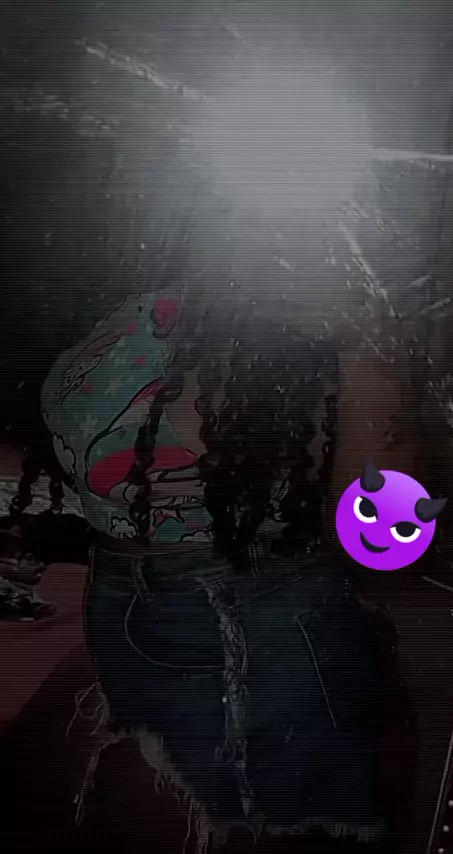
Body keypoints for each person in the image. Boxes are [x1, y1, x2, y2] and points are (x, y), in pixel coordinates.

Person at [7, 269, 416, 854]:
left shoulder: (326, 301)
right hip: (123, 598)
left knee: (273, 834)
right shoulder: (131, 282)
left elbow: (387, 551)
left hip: (255, 622)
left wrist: (368, 350)